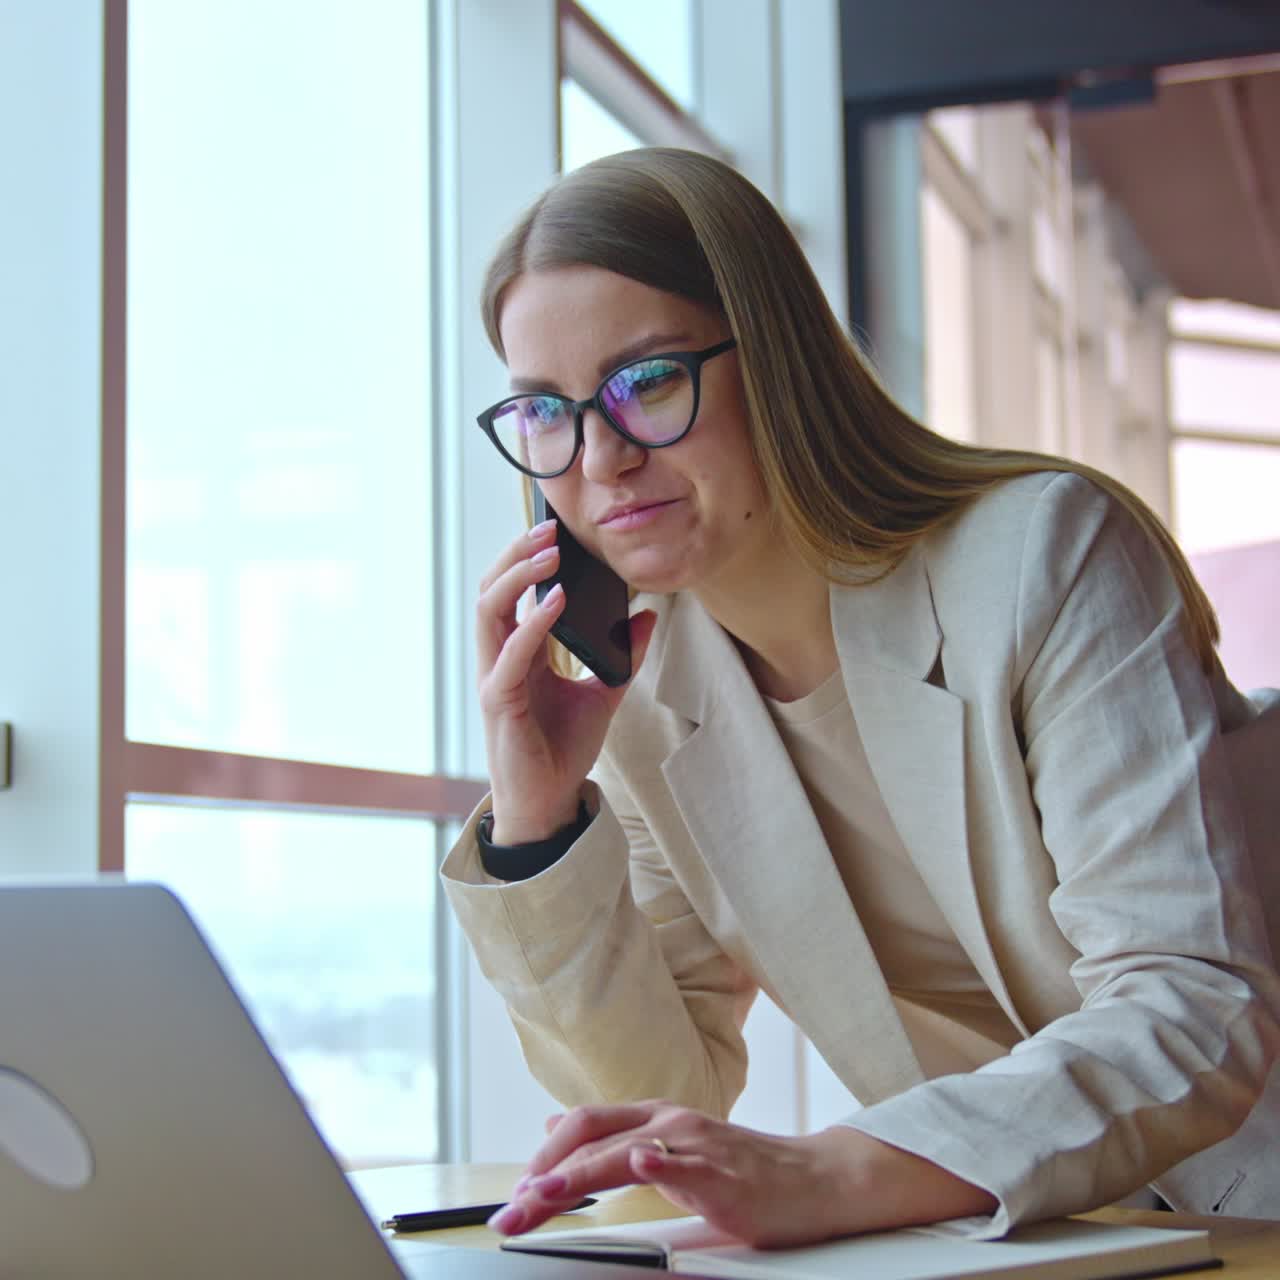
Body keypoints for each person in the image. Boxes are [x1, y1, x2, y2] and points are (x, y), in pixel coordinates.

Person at [441, 147, 1280, 1247]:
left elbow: (1191, 1004)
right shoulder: (650, 692)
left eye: (646, 383)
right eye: (544, 411)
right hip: (1044, 1241)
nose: (598, 457)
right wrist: (538, 820)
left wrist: (830, 1170)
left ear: (777, 359)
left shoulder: (1044, 555)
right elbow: (653, 1084)